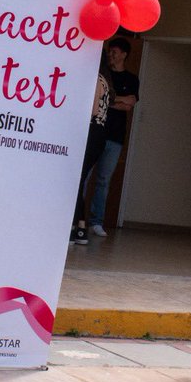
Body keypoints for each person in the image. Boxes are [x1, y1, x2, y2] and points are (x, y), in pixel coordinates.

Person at [85, 37, 139, 237]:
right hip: (95, 132)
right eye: (109, 51)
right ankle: (78, 219)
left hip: (115, 138)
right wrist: (115, 100)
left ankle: (96, 221)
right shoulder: (102, 75)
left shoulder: (132, 79)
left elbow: (129, 105)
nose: (111, 55)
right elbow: (97, 98)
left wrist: (109, 100)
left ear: (124, 54)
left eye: (115, 52)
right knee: (86, 176)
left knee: (103, 180)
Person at [71, 61, 112, 245]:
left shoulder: (96, 80)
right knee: (78, 180)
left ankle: (80, 226)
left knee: (77, 180)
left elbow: (93, 110)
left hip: (91, 132)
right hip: (98, 134)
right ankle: (77, 227)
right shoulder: (106, 81)